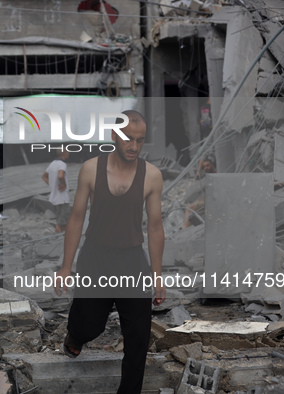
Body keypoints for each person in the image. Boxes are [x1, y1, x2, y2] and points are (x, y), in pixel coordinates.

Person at [54, 110, 166, 394]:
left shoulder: (151, 176)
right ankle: (76, 336)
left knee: (138, 336)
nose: (133, 146)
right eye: (128, 139)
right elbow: (77, 218)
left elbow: (155, 228)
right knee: (90, 325)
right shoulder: (91, 169)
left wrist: (157, 275)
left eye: (140, 141)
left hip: (132, 260)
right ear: (115, 135)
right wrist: (66, 268)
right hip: (96, 257)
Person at [42, 149, 71, 233]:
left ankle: (59, 235)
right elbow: (61, 175)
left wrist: (52, 185)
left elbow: (44, 176)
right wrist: (63, 185)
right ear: (65, 153)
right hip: (62, 197)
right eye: (68, 152)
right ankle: (62, 235)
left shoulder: (52, 164)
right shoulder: (62, 164)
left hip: (54, 196)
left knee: (59, 217)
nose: (68, 154)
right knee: (63, 219)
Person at [184, 158, 217, 228]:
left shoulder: (215, 176)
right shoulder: (208, 177)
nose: (206, 168)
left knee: (190, 208)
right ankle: (186, 227)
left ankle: (185, 228)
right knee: (189, 208)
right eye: (204, 167)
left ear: (212, 165)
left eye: (208, 166)